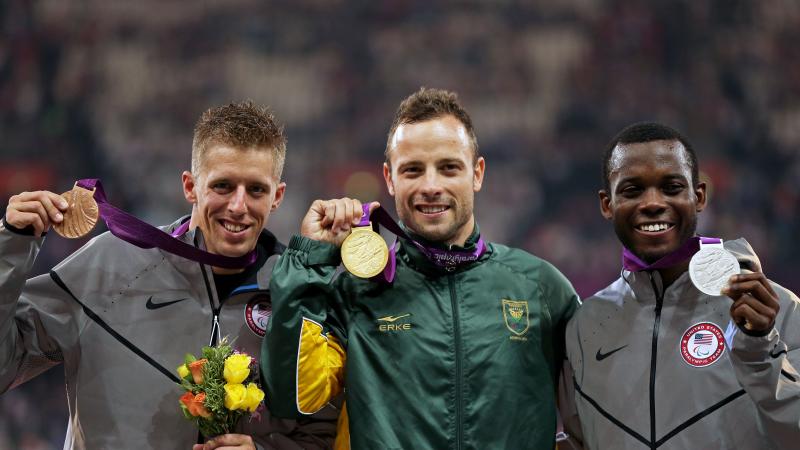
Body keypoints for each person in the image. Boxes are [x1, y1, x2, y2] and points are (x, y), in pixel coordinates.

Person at [0, 101, 336, 450]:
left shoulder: (297, 293)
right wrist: (10, 244)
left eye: (256, 190)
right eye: (222, 186)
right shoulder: (108, 266)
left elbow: (323, 433)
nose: (238, 206)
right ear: (190, 186)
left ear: (277, 196)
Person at [261, 87, 580, 449]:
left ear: (477, 173)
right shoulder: (357, 291)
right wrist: (310, 257)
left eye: (448, 168)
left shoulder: (540, 288)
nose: (431, 186)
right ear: (390, 178)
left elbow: (589, 419)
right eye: (413, 170)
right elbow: (294, 396)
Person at [563, 122, 800, 449]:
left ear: (699, 195)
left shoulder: (778, 309)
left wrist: (760, 350)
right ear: (607, 204)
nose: (652, 203)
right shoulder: (584, 326)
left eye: (671, 187)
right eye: (632, 190)